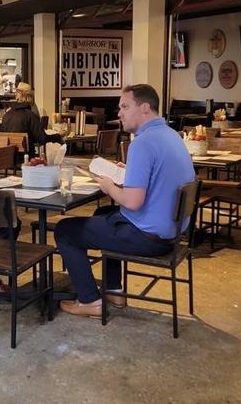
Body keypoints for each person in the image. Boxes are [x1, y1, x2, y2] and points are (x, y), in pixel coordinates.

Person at [54, 84, 196, 318]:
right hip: (172, 232)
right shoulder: (171, 135)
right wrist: (129, 171)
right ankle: (113, 290)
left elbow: (132, 202)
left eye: (125, 106)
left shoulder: (142, 143)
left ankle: (90, 301)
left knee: (65, 230)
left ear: (145, 108)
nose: (119, 112)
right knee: (102, 215)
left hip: (148, 238)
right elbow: (159, 174)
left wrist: (109, 186)